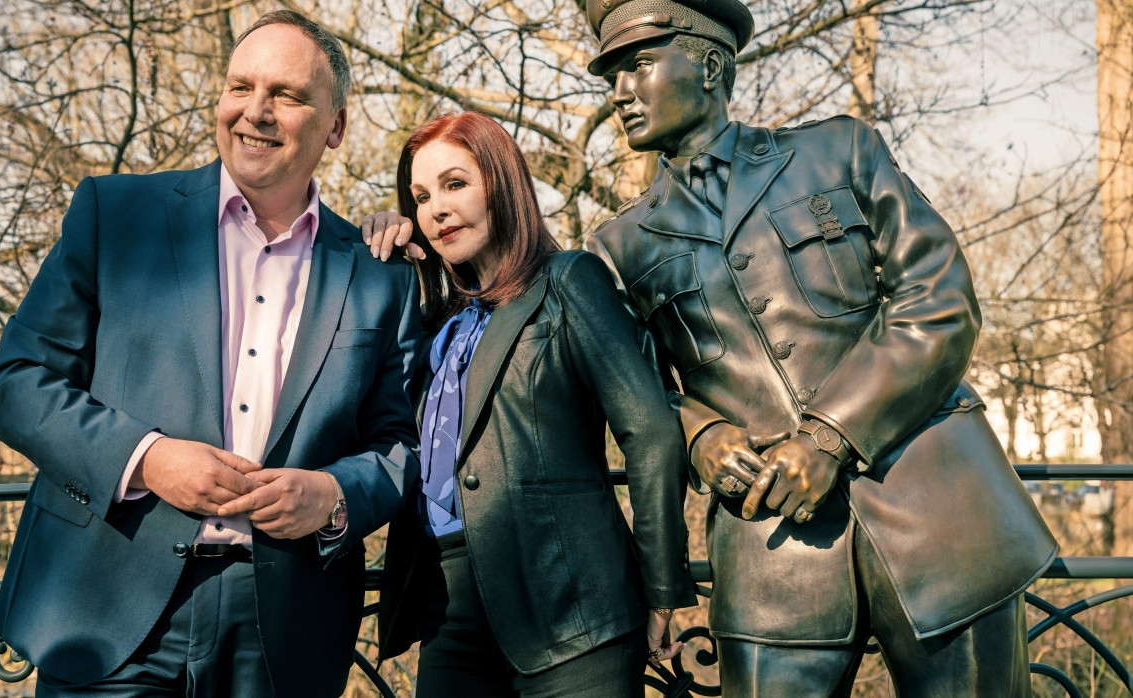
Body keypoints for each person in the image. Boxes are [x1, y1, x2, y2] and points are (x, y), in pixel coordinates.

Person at [577, 0, 1059, 695]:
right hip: (772, 558)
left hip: (942, 517)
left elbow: (940, 299)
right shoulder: (620, 246)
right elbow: (639, 393)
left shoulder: (839, 151)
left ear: (711, 65)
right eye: (611, 75)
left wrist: (831, 436)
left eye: (639, 64)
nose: (619, 91)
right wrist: (700, 433)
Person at [0, 10, 421, 697]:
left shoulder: (378, 271)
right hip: (106, 605)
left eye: (288, 95)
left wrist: (335, 494)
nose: (256, 112)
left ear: (335, 126)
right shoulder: (115, 215)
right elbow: (15, 383)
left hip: (281, 629)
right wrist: (148, 458)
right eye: (240, 86)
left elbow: (400, 444)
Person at [370, 112, 697, 697]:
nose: (435, 208)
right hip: (448, 608)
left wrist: (664, 588)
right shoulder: (443, 323)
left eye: (454, 184)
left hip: (570, 612)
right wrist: (388, 259)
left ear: (501, 183)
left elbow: (652, 433)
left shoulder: (570, 280)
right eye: (420, 197)